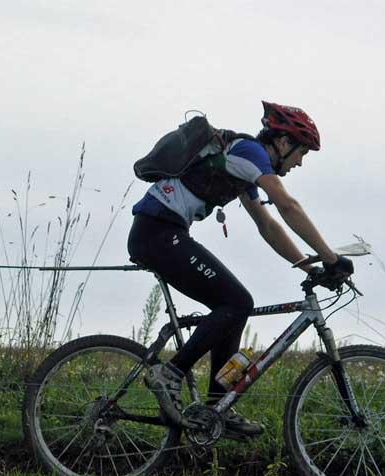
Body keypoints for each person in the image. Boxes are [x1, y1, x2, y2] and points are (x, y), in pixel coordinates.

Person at [127, 101, 353, 437]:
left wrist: (310, 268)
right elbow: (286, 206)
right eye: (301, 152)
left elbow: (267, 225)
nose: (301, 162)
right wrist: (331, 257)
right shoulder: (250, 152)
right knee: (236, 302)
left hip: (162, 232)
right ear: (283, 142)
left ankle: (217, 407)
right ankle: (169, 374)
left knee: (234, 307)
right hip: (157, 233)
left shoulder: (243, 164)